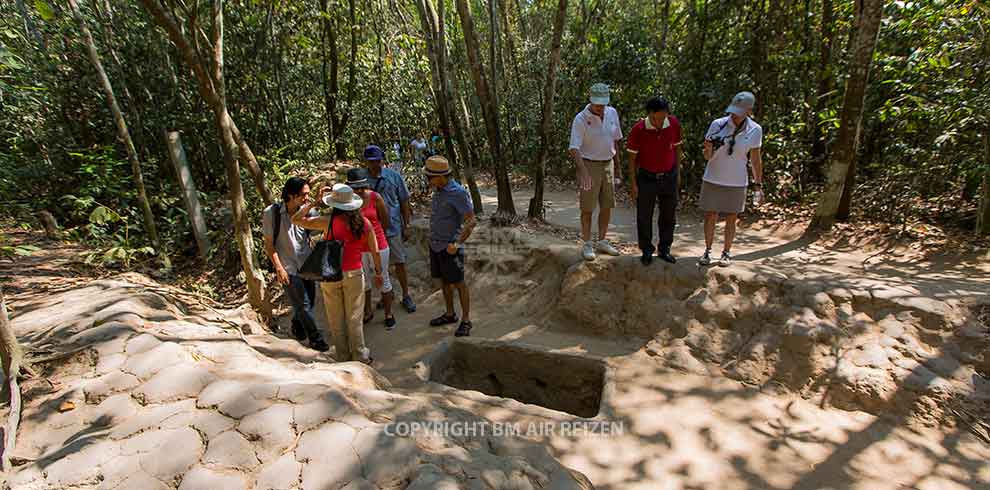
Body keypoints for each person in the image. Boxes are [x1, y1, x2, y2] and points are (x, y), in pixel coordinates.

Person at [291, 184, 383, 364]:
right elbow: (375, 251)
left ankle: (343, 357)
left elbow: (296, 219)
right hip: (355, 274)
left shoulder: (327, 221)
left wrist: (313, 204)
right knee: (355, 318)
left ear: (334, 204)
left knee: (336, 320)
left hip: (331, 275)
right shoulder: (364, 223)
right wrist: (378, 272)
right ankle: (360, 356)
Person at [262, 177, 330, 352]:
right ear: (291, 195)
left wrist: (319, 202)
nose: (306, 198)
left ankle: (296, 324)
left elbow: (321, 224)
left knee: (309, 302)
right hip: (288, 267)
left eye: (307, 195)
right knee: (304, 304)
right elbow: (269, 245)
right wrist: (279, 268)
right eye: (303, 195)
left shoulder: (306, 211)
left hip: (307, 263)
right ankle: (316, 339)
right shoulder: (272, 213)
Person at [698, 91, 764, 267]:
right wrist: (709, 148)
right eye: (733, 110)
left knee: (731, 218)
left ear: (749, 111)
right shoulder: (717, 125)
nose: (734, 115)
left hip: (737, 181)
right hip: (713, 177)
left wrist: (758, 185)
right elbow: (707, 156)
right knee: (710, 215)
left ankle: (726, 252)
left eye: (739, 111)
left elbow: (755, 159)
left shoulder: (755, 130)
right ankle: (707, 251)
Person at [568, 82, 623, 261]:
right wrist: (583, 171)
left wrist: (618, 168)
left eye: (603, 104)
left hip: (608, 163)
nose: (600, 107)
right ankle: (587, 243)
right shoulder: (581, 119)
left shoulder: (612, 113)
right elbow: (574, 148)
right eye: (597, 104)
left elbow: (615, 141)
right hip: (588, 164)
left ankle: (602, 241)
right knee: (587, 207)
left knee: (607, 204)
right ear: (591, 100)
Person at [424, 156, 476, 337]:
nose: (427, 180)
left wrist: (457, 243)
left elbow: (471, 221)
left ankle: (466, 320)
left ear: (441, 176)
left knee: (459, 283)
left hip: (450, 247)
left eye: (430, 176)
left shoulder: (458, 193)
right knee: (444, 282)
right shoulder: (438, 190)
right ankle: (449, 314)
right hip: (436, 245)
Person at [627, 96, 683, 265]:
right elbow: (631, 159)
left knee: (668, 214)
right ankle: (646, 249)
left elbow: (678, 148)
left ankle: (664, 248)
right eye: (655, 118)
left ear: (667, 114)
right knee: (644, 215)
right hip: (646, 177)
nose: (659, 121)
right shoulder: (638, 129)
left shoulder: (673, 124)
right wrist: (633, 184)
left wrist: (678, 172)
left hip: (669, 176)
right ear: (649, 114)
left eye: (662, 117)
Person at [363, 145, 416, 313]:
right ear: (366, 162)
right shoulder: (362, 180)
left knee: (399, 261)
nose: (375, 164)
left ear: (382, 160)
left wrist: (407, 225)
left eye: (377, 160)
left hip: (393, 227)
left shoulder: (393, 177)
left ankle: (406, 295)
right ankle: (387, 293)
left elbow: (404, 201)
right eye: (371, 161)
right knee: (377, 266)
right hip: (371, 231)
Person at [346, 167, 397, 330]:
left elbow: (386, 221)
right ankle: (368, 311)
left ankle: (389, 313)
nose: (359, 191)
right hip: (359, 248)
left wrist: (373, 232)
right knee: (364, 281)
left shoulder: (376, 198)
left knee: (383, 278)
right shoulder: (347, 202)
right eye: (356, 188)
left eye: (362, 187)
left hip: (379, 245)